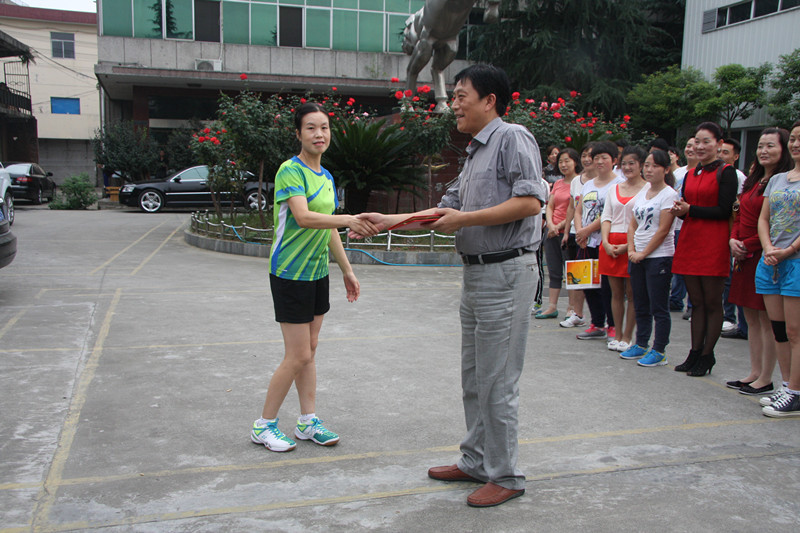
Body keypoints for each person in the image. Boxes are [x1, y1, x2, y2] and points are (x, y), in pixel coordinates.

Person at [359, 64, 548, 507]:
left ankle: (506, 475)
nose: (454, 105)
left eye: (462, 96)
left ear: (490, 101)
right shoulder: (474, 152)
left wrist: (464, 220)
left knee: (498, 380)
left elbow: (530, 202)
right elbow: (444, 211)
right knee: (475, 377)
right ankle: (476, 461)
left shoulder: (513, 137)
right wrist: (390, 220)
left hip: (507, 271)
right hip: (477, 273)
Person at [251, 103, 379, 452]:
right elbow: (305, 217)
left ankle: (307, 421)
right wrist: (349, 219)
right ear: (298, 133)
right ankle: (263, 425)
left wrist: (347, 269)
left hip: (317, 271)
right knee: (297, 355)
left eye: (324, 127)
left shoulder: (327, 177)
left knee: (309, 351)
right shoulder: (290, 171)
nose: (319, 134)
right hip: (290, 272)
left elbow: (329, 227)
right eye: (310, 128)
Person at [727, 128, 793, 396]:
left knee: (768, 320)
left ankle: (767, 377)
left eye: (771, 146)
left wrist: (750, 245)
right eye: (761, 146)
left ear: (783, 149)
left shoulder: (783, 182)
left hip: (765, 254)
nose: (764, 151)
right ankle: (754, 372)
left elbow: (776, 224)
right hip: (744, 255)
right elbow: (739, 213)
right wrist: (733, 239)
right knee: (750, 317)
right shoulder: (755, 179)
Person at [670, 122, 738, 376]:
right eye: (696, 141)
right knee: (695, 302)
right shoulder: (691, 174)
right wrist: (682, 210)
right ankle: (695, 352)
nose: (699, 146)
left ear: (719, 144)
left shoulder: (726, 172)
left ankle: (708, 355)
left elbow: (723, 210)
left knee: (711, 302)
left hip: (713, 241)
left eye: (706, 141)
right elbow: (690, 205)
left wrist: (691, 210)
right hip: (691, 239)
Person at [756, 119, 800, 417]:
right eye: (794, 138)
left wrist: (789, 250)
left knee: (796, 331)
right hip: (771, 260)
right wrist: (769, 247)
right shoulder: (778, 179)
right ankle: (786, 385)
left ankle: (796, 392)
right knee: (780, 330)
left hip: (794, 261)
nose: (796, 144)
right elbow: (764, 218)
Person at [621, 150, 678, 366]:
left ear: (666, 169)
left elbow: (663, 230)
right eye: (646, 165)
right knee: (640, 302)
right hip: (637, 255)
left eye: (654, 166)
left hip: (659, 256)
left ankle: (659, 350)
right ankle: (641, 343)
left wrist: (644, 253)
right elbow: (633, 223)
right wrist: (632, 249)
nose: (649, 170)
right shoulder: (644, 191)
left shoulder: (669, 195)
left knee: (658, 306)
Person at [574, 141, 624, 340]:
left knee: (607, 287)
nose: (599, 161)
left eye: (604, 158)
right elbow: (579, 210)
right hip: (585, 241)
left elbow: (608, 213)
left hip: (604, 240)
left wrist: (586, 231)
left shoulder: (619, 183)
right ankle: (596, 323)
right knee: (588, 283)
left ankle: (612, 324)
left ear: (614, 160)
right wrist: (580, 232)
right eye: (596, 158)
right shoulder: (588, 184)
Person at [600, 146, 647, 351]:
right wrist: (606, 242)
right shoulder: (614, 188)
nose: (627, 167)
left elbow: (645, 223)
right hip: (611, 243)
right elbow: (606, 217)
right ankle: (617, 334)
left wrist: (629, 246)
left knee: (633, 293)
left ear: (641, 165)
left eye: (632, 163)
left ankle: (628, 337)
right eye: (624, 164)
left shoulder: (648, 189)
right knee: (616, 293)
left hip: (634, 243)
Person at [537, 148, 581, 319]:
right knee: (554, 270)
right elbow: (550, 206)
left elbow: (576, 209)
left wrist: (560, 226)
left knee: (572, 271)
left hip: (568, 232)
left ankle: (572, 307)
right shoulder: (558, 184)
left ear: (575, 162)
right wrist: (550, 225)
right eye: (561, 161)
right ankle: (552, 307)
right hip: (551, 232)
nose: (563, 164)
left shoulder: (580, 183)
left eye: (567, 161)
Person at [559, 143, 595, 328]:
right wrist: (567, 232)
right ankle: (576, 312)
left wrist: (586, 231)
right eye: (584, 155)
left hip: (596, 235)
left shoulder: (611, 182)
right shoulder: (576, 181)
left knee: (599, 281)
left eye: (591, 156)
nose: (587, 159)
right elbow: (572, 208)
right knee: (577, 277)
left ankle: (603, 320)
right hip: (576, 233)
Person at [719, 137, 749, 338]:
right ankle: (727, 315)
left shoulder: (738, 176)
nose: (722, 156)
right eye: (720, 151)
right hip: (725, 233)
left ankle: (731, 317)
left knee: (732, 276)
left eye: (726, 152)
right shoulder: (715, 171)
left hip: (735, 233)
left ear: (736, 156)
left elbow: (737, 208)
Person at [670, 138, 699, 318]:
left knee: (692, 266)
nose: (691, 149)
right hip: (676, 224)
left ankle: (692, 304)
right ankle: (675, 299)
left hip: (693, 224)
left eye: (695, 146)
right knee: (678, 265)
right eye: (688, 146)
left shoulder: (703, 173)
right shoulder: (678, 173)